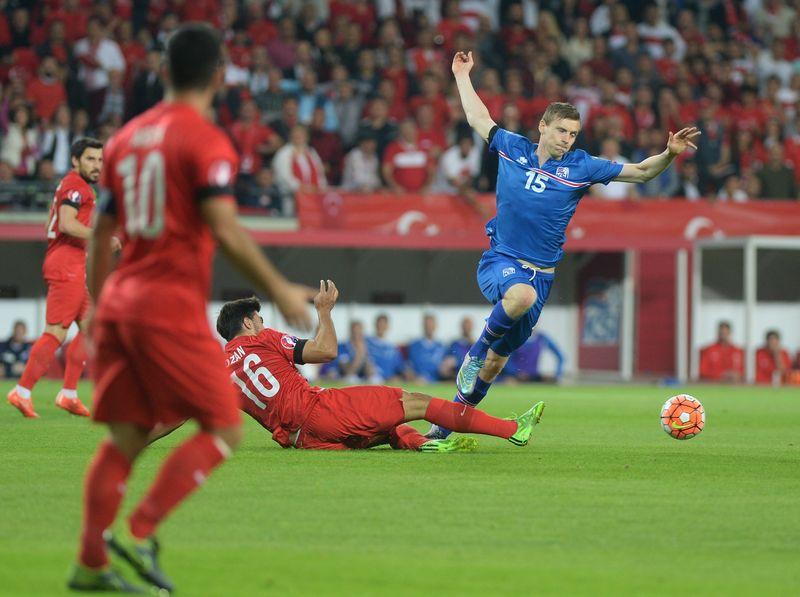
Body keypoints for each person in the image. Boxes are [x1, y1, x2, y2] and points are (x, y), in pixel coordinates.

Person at [68, 24, 313, 593]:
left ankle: (88, 565)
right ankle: (137, 530)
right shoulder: (205, 140)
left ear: (164, 72)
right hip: (167, 304)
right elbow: (224, 229)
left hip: (123, 303)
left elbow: (103, 235)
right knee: (225, 428)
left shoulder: (126, 139)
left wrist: (99, 310)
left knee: (125, 439)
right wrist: (277, 289)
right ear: (220, 76)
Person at [429, 51, 700, 439]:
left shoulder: (582, 166)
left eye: (573, 134)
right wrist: (461, 75)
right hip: (502, 260)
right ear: (543, 126)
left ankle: (444, 428)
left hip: (543, 277)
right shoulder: (511, 147)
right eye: (561, 131)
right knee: (514, 303)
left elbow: (640, 173)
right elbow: (477, 117)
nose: (567, 140)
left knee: (496, 365)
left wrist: (669, 154)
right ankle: (472, 353)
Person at [217, 284, 544, 452]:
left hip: (305, 439)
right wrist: (324, 311)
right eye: (258, 318)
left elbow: (182, 413)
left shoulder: (221, 369)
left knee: (386, 425)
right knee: (414, 402)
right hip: (321, 411)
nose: (263, 321)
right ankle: (512, 430)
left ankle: (427, 444)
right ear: (247, 322)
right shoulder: (264, 339)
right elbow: (326, 351)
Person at [7, 137, 110, 419]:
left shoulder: (72, 185)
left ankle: (69, 394)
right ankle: (22, 391)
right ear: (75, 160)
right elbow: (65, 222)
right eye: (90, 159)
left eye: (100, 160)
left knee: (91, 327)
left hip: (70, 262)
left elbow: (50, 222)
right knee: (56, 332)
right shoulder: (77, 187)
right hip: (66, 266)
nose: (97, 165)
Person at [406, 314, 447, 383]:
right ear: (423, 326)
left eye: (431, 324)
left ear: (435, 326)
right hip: (419, 381)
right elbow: (408, 365)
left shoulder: (442, 347)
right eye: (427, 324)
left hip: (437, 382)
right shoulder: (414, 345)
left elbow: (446, 367)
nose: (429, 327)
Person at [367, 313, 405, 382]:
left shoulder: (392, 347)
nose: (381, 327)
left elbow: (400, 366)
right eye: (379, 324)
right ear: (375, 325)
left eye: (383, 324)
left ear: (387, 326)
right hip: (372, 378)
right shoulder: (367, 342)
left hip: (389, 380)